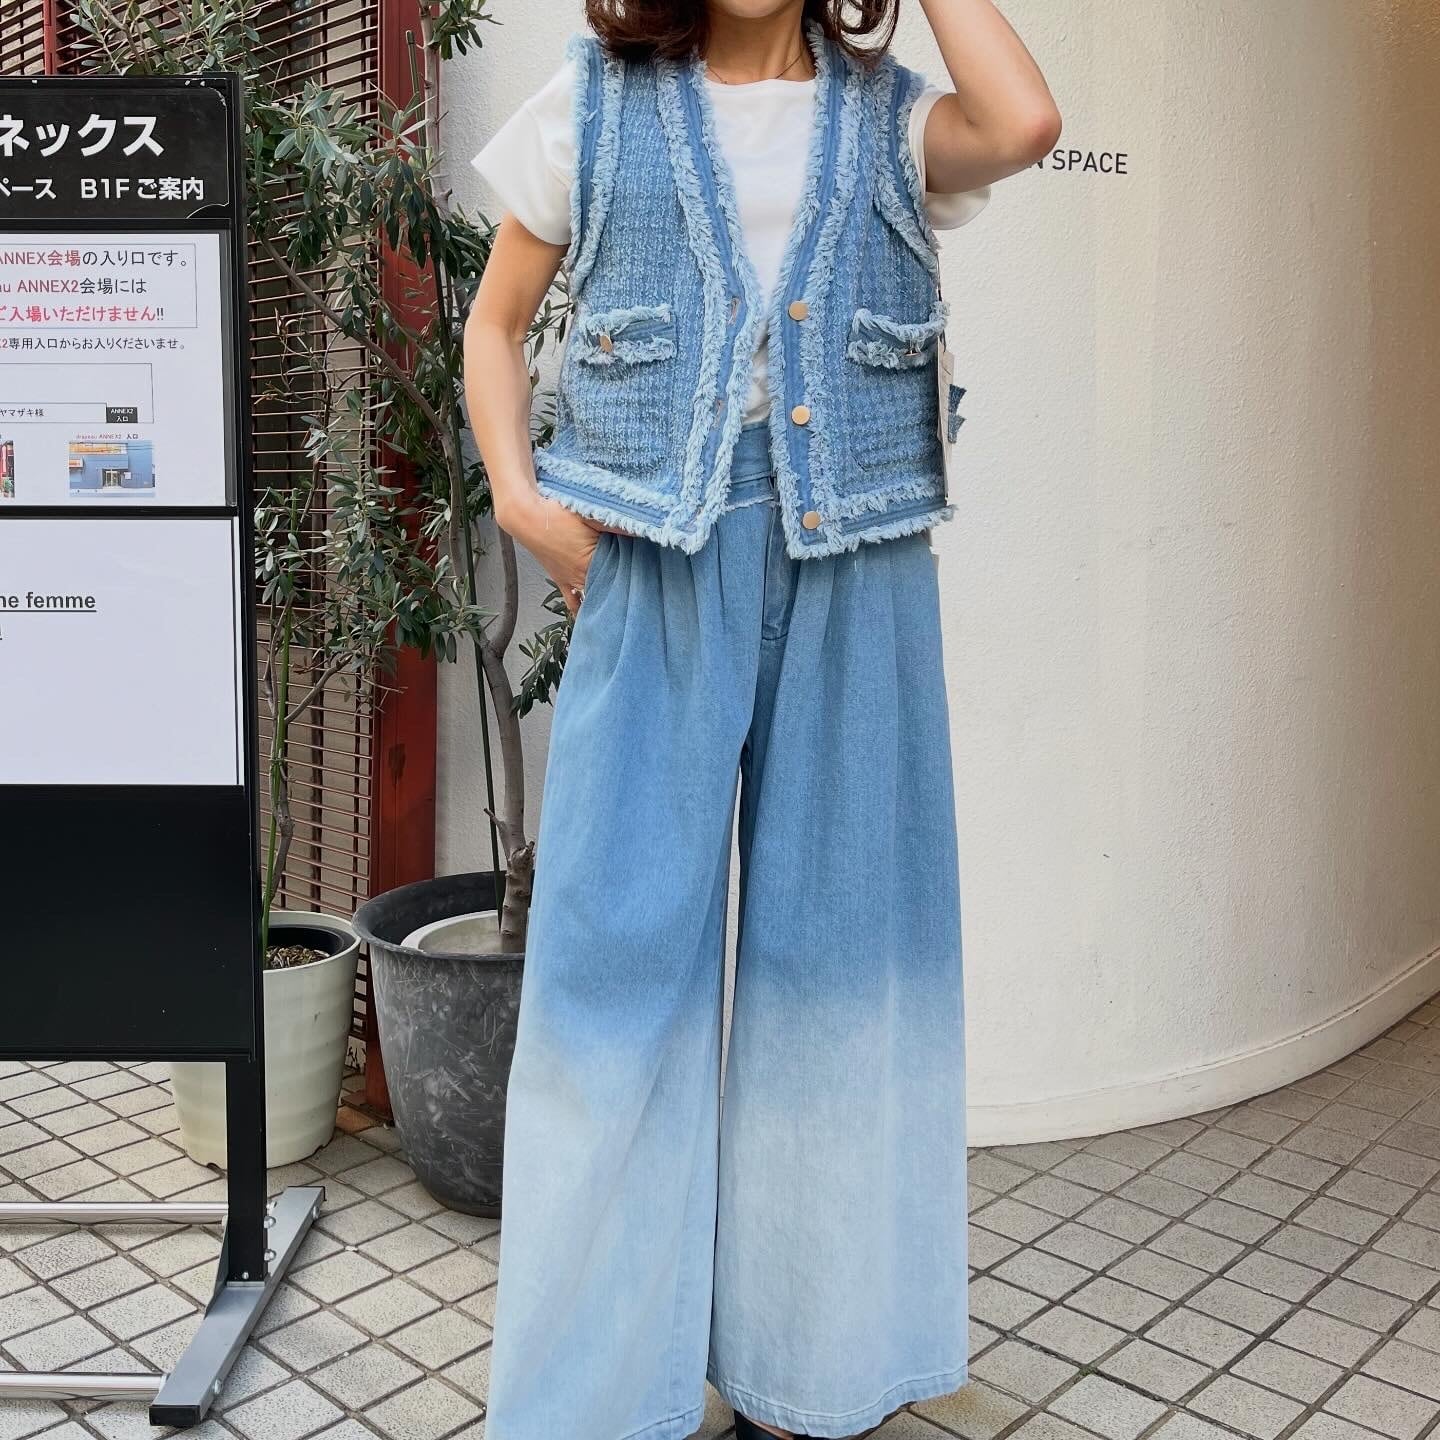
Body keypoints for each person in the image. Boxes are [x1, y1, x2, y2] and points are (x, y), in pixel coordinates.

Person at [463, 2, 1059, 1436]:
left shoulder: (892, 114)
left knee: (840, 966)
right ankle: (593, 1402)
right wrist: (522, 501)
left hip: (857, 560)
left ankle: (812, 1375)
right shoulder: (591, 104)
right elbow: (494, 323)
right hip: (653, 553)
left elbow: (1026, 121)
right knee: (614, 971)